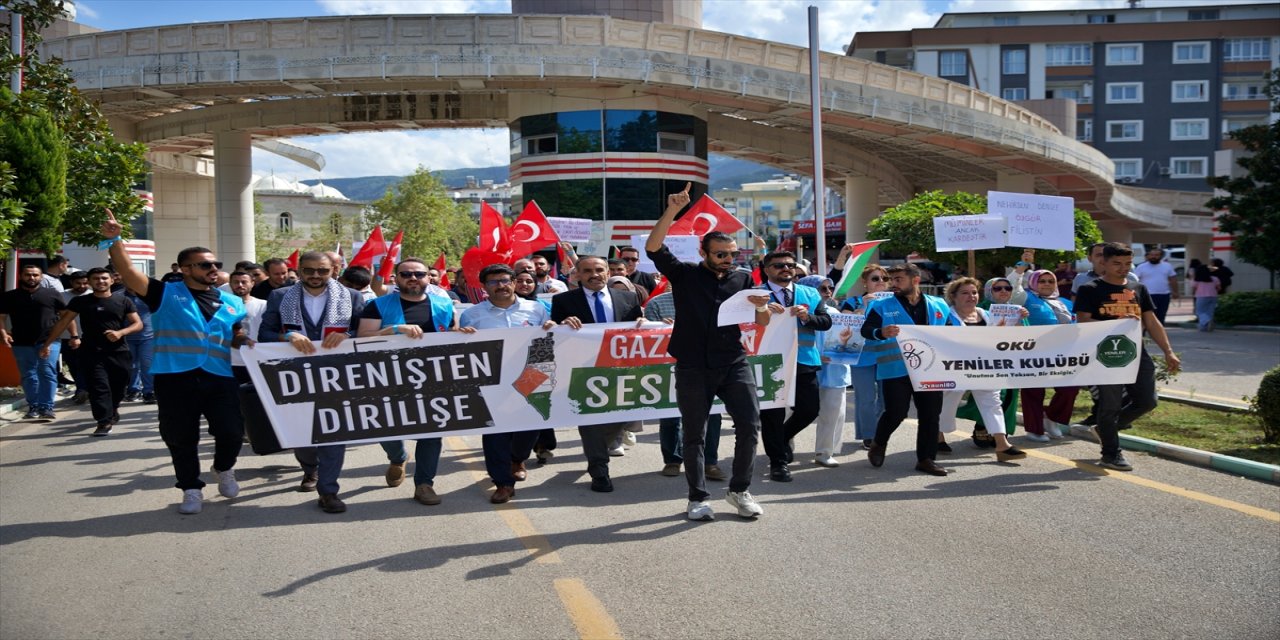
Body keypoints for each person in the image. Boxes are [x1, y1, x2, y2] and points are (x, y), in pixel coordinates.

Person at [101, 211, 249, 515]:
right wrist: (115, 240)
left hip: (219, 376)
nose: (214, 269)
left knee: (233, 431)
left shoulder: (232, 301)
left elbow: (234, 334)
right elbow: (128, 272)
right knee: (181, 436)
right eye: (205, 264)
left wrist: (244, 340)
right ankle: (191, 488)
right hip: (174, 376)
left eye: (216, 264)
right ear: (184, 269)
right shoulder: (164, 293)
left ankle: (224, 467)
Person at [646, 183, 775, 521]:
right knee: (695, 434)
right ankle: (697, 498)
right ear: (704, 253)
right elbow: (654, 247)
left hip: (733, 362)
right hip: (692, 366)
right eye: (721, 254)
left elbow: (760, 321)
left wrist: (763, 307)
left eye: (732, 254)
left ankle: (739, 490)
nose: (728, 260)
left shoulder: (744, 279)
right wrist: (673, 210)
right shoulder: (685, 274)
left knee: (749, 425)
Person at [259, 252, 364, 511]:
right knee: (302, 434)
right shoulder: (280, 296)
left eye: (322, 271)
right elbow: (265, 333)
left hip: (338, 376)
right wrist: (289, 336)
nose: (315, 276)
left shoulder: (352, 297)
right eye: (309, 271)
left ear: (333, 271)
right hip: (295, 375)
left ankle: (328, 491)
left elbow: (364, 333)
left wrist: (346, 335)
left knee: (333, 432)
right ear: (299, 270)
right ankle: (310, 468)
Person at [357, 258, 459, 506]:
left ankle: (424, 484)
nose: (413, 278)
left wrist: (462, 333)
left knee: (433, 431)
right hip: (387, 376)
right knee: (384, 426)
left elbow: (454, 334)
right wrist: (393, 330)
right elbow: (361, 338)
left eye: (419, 274)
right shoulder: (377, 306)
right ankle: (398, 456)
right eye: (406, 274)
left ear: (428, 277)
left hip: (434, 378)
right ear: (396, 278)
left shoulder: (444, 303)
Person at [1074, 242, 1181, 471]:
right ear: (1104, 263)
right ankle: (1111, 453)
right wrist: (1117, 325)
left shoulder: (1137, 288)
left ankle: (1106, 430)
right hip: (1106, 355)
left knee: (1147, 401)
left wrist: (1168, 351)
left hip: (1136, 353)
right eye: (1117, 263)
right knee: (1109, 405)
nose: (1123, 268)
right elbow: (1082, 321)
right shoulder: (1090, 289)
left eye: (1127, 263)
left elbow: (1151, 322)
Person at [459, 264, 556, 504]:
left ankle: (517, 458)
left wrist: (552, 328)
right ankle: (502, 482)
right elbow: (461, 346)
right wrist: (462, 335)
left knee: (530, 427)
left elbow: (549, 339)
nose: (500, 285)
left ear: (513, 282)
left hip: (531, 377)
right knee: (495, 432)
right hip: (492, 381)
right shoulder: (472, 314)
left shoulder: (536, 309)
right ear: (484, 287)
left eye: (504, 280)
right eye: (493, 282)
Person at [550, 255, 644, 493]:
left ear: (608, 272)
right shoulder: (563, 300)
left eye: (599, 269)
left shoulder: (628, 297)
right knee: (590, 420)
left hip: (620, 370)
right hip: (583, 371)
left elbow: (636, 328)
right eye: (587, 270)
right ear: (578, 274)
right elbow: (554, 333)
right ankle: (599, 469)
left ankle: (599, 450)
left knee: (619, 416)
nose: (594, 274)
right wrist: (560, 324)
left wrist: (650, 325)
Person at [860, 263, 960, 476]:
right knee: (896, 413)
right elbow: (866, 331)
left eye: (898, 279)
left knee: (931, 415)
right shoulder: (881, 306)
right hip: (895, 369)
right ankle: (879, 442)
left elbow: (953, 331)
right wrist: (881, 332)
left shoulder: (939, 304)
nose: (893, 284)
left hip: (930, 369)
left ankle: (926, 459)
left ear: (915, 280)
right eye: (892, 280)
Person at [40, 268, 141, 436]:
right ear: (90, 282)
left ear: (111, 280)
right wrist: (47, 344)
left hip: (119, 351)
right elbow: (64, 322)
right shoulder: (80, 302)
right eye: (96, 279)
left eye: (103, 278)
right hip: (91, 351)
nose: (100, 281)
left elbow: (137, 324)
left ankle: (113, 408)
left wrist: (120, 333)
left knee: (119, 386)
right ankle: (103, 421)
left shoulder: (123, 301)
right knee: (98, 386)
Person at [758, 250, 832, 481]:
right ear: (767, 269)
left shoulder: (809, 293)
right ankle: (778, 463)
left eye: (790, 265)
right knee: (772, 414)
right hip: (769, 362)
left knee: (809, 409)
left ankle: (780, 439)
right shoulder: (755, 295)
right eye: (779, 265)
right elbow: (742, 325)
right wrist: (760, 311)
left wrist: (807, 317)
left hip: (804, 360)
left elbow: (825, 322)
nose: (785, 269)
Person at [937, 278, 1027, 461]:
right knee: (948, 401)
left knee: (992, 403)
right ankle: (937, 436)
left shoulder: (988, 315)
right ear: (953, 296)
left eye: (974, 292)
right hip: (955, 368)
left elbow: (1012, 336)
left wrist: (1017, 318)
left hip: (985, 367)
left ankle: (1002, 446)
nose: (971, 296)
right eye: (965, 293)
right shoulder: (945, 316)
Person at [645, 282, 727, 481]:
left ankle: (709, 463)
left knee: (712, 415)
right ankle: (673, 460)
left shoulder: (713, 300)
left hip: (707, 364)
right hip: (668, 365)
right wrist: (656, 327)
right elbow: (643, 336)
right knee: (670, 413)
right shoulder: (656, 304)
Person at [0, 264, 71, 421]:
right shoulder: (10, 296)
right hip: (21, 341)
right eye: (27, 275)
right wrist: (4, 333)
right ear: (21, 276)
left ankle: (46, 407)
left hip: (49, 340)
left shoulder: (53, 294)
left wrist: (73, 336)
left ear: (41, 277)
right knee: (28, 375)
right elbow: (2, 317)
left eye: (35, 275)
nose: (31, 278)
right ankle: (34, 406)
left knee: (47, 372)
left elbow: (66, 316)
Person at [1020, 269, 1080, 441]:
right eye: (1042, 281)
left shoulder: (1066, 303)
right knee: (1034, 391)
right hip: (1032, 352)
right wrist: (1022, 266)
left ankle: (1052, 418)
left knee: (1070, 388)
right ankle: (1034, 429)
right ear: (1033, 283)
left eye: (1050, 281)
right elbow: (1015, 288)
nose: (1047, 284)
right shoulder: (1025, 298)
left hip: (1064, 352)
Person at [839, 264, 889, 450]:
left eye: (884, 278)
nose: (881, 282)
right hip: (862, 356)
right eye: (875, 279)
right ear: (865, 282)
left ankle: (878, 431)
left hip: (888, 355)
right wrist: (864, 307)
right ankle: (869, 435)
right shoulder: (852, 302)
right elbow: (844, 323)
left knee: (887, 400)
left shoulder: (893, 301)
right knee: (866, 398)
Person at [800, 275, 848, 468]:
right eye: (822, 288)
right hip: (805, 367)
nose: (828, 292)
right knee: (793, 412)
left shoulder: (836, 312)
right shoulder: (797, 311)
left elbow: (845, 341)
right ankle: (785, 444)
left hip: (834, 369)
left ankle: (825, 451)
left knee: (833, 412)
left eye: (830, 288)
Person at [227, 271, 268, 385]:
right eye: (236, 282)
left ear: (252, 283)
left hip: (256, 359)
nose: (240, 285)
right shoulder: (222, 305)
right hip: (231, 361)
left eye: (244, 282)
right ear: (230, 284)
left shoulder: (263, 305)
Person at [122, 280, 156, 404]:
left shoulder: (149, 296)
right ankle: (133, 389)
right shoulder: (119, 296)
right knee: (132, 365)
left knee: (147, 365)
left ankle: (149, 391)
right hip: (127, 336)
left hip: (148, 336)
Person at [60, 271, 92, 403]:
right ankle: (81, 389)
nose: (82, 286)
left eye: (85, 283)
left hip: (89, 337)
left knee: (86, 364)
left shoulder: (93, 295)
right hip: (67, 337)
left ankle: (84, 390)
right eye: (78, 283)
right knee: (73, 364)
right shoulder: (62, 296)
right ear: (71, 283)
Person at [1133, 246, 1178, 324]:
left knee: (1161, 316)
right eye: (1152, 255)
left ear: (1161, 256)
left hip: (1164, 295)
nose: (1153, 257)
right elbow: (1135, 281)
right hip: (1147, 296)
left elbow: (1173, 279)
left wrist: (1175, 292)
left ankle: (1158, 335)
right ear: (1148, 255)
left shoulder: (1167, 266)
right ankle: (1143, 334)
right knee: (1146, 317)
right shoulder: (1141, 267)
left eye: (1156, 255)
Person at [1072, 242, 1138, 294]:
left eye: (1106, 255)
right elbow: (1075, 303)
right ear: (1090, 258)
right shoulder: (1080, 279)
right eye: (1099, 255)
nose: (1103, 258)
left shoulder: (1130, 278)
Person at [1187, 259, 1221, 332]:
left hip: (1201, 296)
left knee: (1199, 312)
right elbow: (1218, 288)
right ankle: (1204, 327)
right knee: (1210, 312)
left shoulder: (1197, 280)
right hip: (1213, 296)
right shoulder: (1215, 279)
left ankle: (1207, 321)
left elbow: (1194, 288)